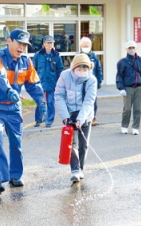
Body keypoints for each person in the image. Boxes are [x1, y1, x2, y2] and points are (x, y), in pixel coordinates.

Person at [0, 29, 45, 195]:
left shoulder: (26, 61)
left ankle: (15, 176)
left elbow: (34, 84)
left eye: (25, 44)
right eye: (19, 43)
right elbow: (0, 77)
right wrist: (9, 91)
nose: (22, 47)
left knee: (16, 143)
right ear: (8, 41)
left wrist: (41, 102)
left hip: (13, 108)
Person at [55, 53, 97, 182]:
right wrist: (65, 116)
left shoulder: (92, 80)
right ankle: (75, 170)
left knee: (83, 145)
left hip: (85, 114)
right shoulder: (64, 76)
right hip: (70, 113)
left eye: (85, 69)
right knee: (71, 143)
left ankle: (81, 169)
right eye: (79, 69)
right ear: (73, 68)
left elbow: (89, 101)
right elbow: (59, 95)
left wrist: (81, 119)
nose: (82, 72)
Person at [116, 40, 141, 135]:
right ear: (126, 49)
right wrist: (121, 88)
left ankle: (135, 127)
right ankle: (124, 126)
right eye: (129, 48)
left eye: (133, 48)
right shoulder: (122, 62)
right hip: (128, 88)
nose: (131, 50)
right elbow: (119, 76)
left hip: (139, 88)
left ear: (136, 48)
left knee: (137, 109)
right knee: (127, 109)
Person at [33, 35, 64, 128]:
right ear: (43, 44)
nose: (49, 45)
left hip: (52, 83)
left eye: (51, 43)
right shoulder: (38, 55)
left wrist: (59, 82)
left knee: (50, 102)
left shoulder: (56, 56)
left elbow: (60, 69)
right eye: (47, 43)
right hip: (40, 82)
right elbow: (33, 69)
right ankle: (38, 119)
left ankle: (49, 121)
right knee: (39, 101)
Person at [80, 37, 103, 126]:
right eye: (84, 45)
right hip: (81, 83)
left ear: (91, 46)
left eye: (87, 45)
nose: (86, 47)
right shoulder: (79, 56)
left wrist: (99, 81)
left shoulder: (94, 56)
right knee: (82, 101)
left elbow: (98, 69)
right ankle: (83, 118)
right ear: (81, 46)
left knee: (93, 101)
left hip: (92, 83)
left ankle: (93, 118)